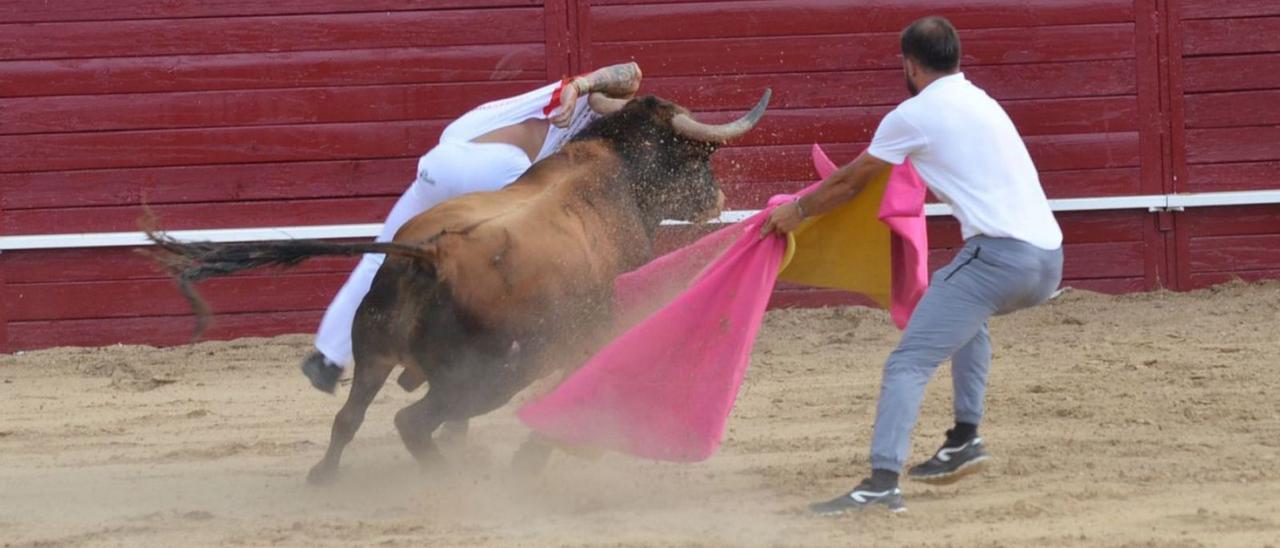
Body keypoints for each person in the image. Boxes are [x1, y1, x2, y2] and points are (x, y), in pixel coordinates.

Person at [762, 16, 1064, 513]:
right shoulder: (982, 101)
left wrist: (797, 211)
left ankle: (881, 482)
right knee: (963, 310)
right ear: (956, 58)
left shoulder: (913, 114)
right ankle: (964, 438)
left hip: (1000, 259)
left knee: (908, 362)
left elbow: (851, 182)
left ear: (910, 64)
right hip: (1049, 259)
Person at [300, 62, 644, 393]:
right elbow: (631, 73)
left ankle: (328, 360)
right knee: (510, 263)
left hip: (443, 158)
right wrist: (580, 88)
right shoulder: (579, 98)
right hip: (498, 168)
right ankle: (493, 353)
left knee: (383, 254)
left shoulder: (553, 105)